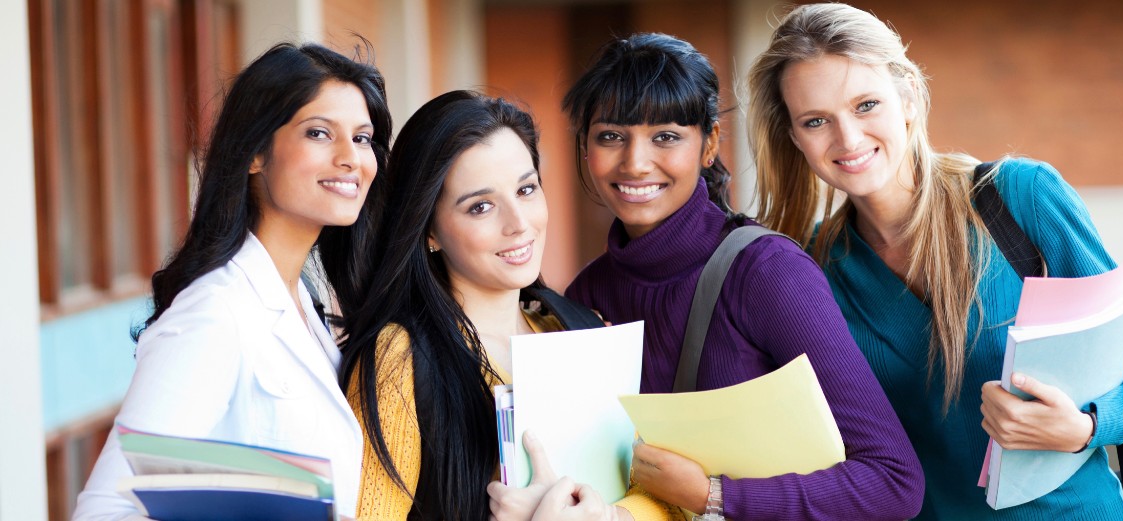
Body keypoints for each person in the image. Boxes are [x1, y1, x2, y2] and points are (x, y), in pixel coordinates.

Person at [746, 4, 1123, 519]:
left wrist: (1087, 426)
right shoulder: (810, 267)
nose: (847, 139)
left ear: (909, 97)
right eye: (816, 121)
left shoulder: (1017, 199)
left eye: (867, 104)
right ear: (794, 137)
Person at [497, 32, 925, 521]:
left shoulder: (767, 274)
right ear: (585, 147)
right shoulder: (585, 296)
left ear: (709, 144)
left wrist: (714, 496)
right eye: (611, 136)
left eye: (666, 137)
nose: (635, 163)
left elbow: (894, 481)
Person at [72, 42, 392, 520]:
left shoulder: (303, 301)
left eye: (363, 138)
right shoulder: (215, 313)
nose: (351, 158)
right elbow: (107, 510)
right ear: (255, 153)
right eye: (320, 133)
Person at [334, 90, 613, 521]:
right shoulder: (399, 360)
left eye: (526, 189)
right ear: (429, 231)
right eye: (480, 206)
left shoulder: (580, 327)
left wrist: (610, 517)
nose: (519, 224)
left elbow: (659, 497)